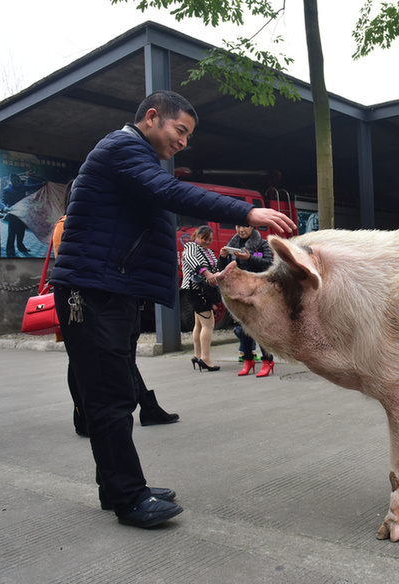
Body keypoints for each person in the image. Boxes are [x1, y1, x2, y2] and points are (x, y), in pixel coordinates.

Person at [49, 90, 295, 529]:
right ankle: (128, 497)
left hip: (110, 289)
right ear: (152, 117)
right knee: (110, 398)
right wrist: (246, 211)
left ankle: (116, 486)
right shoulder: (123, 148)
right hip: (92, 290)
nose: (183, 141)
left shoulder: (134, 156)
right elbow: (170, 192)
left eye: (188, 136)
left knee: (115, 391)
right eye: (180, 130)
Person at [52, 181, 179, 436]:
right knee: (81, 363)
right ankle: (85, 415)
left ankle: (145, 406)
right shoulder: (67, 223)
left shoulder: (99, 221)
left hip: (115, 301)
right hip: (84, 306)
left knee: (119, 358)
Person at [218, 224, 275, 377]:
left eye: (245, 227)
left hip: (259, 291)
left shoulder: (262, 243)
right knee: (244, 328)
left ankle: (267, 361)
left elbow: (270, 264)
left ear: (252, 227)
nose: (241, 230)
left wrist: (250, 258)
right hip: (239, 293)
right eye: (237, 226)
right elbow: (222, 269)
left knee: (260, 328)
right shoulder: (232, 244)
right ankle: (248, 360)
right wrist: (222, 258)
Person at [180, 225, 221, 372]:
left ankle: (197, 355)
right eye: (204, 238)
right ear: (197, 236)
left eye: (209, 239)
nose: (207, 242)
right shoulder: (191, 247)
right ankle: (205, 358)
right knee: (209, 324)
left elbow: (215, 268)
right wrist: (207, 274)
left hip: (199, 291)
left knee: (198, 324)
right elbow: (191, 260)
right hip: (196, 290)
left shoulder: (208, 251)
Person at [1, 173, 44, 257]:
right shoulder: (7, 190)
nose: (17, 182)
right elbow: (2, 201)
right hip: (13, 214)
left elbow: (33, 186)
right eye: (15, 180)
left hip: (22, 214)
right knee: (12, 233)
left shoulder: (22, 187)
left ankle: (21, 247)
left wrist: (43, 184)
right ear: (11, 181)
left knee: (21, 231)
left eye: (18, 180)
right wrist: (5, 207)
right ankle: (10, 251)